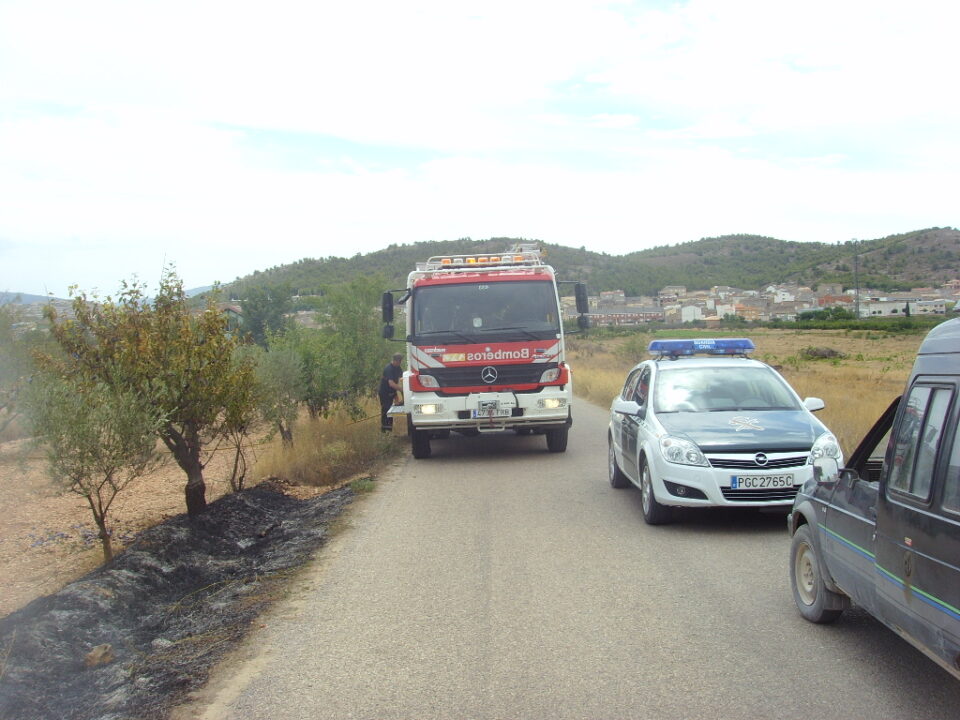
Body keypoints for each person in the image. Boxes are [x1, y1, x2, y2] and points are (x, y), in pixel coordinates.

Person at [379, 353, 404, 431]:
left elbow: (402, 379)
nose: (400, 363)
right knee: (386, 410)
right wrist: (401, 389)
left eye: (401, 361)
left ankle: (389, 430)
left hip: (392, 392)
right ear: (395, 361)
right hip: (384, 392)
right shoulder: (388, 368)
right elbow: (391, 384)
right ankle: (385, 430)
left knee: (391, 411)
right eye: (399, 361)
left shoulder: (398, 368)